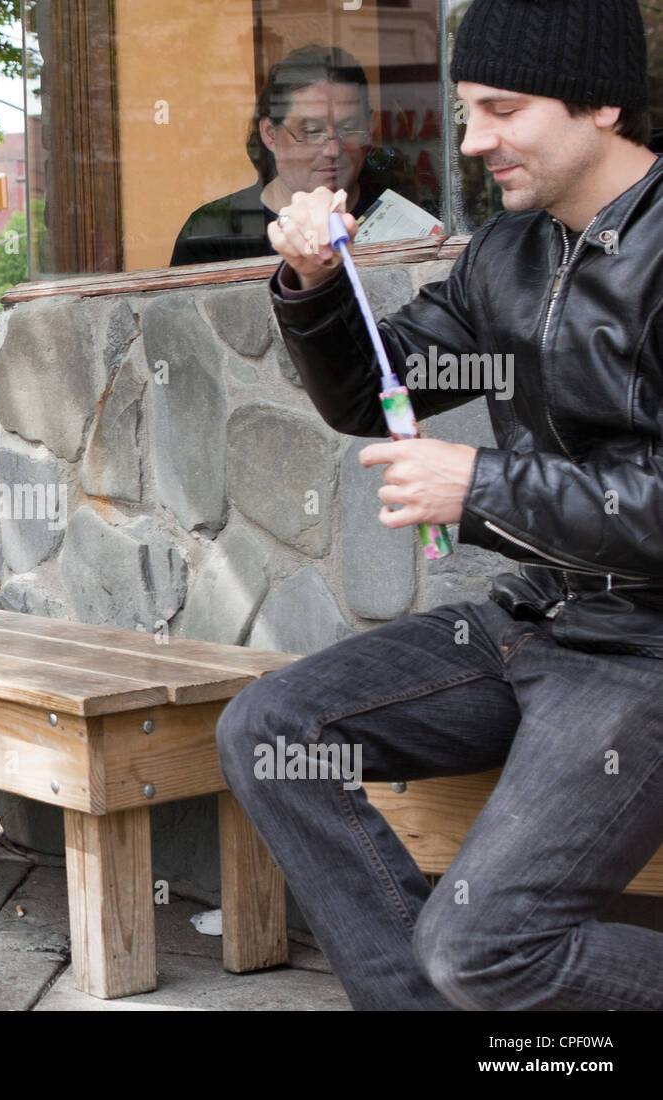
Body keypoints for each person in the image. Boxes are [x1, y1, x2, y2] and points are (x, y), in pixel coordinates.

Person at [216, 0, 663, 1010]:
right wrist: (313, 282)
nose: (472, 141)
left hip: (645, 645)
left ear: (599, 103)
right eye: (465, 111)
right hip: (538, 614)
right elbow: (381, 387)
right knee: (273, 727)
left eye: (500, 108)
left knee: (482, 950)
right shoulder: (508, 251)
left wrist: (484, 485)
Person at [170, 45, 381, 266]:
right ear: (270, 134)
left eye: (349, 129)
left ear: (369, 126)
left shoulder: (404, 214)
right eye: (311, 132)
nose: (333, 150)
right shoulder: (212, 231)